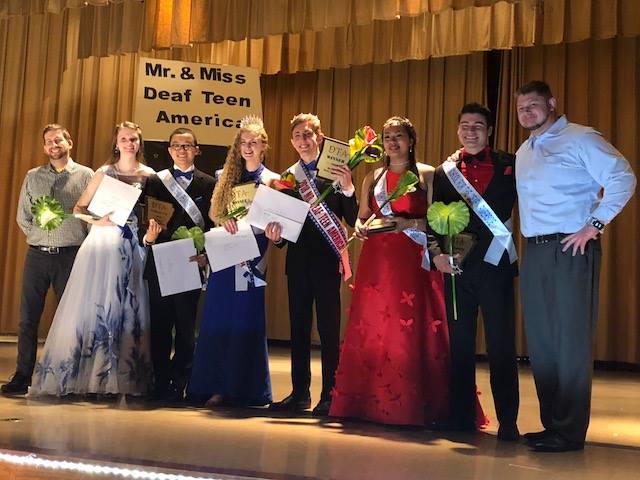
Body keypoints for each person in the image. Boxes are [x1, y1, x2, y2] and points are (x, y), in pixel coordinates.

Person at [514, 81, 636, 451]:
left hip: (570, 247)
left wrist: (595, 224)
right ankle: (553, 424)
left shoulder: (580, 138)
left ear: (552, 103)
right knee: (542, 342)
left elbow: (623, 177)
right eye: (521, 108)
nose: (527, 112)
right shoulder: (524, 150)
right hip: (534, 250)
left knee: (569, 342)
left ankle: (568, 432)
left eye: (534, 105)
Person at [329, 116, 452, 426]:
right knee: (375, 326)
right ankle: (369, 403)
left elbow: (440, 221)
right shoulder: (374, 177)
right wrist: (359, 228)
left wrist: (410, 223)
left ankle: (413, 404)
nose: (392, 142)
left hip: (412, 259)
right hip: (377, 262)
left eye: (399, 136)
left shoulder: (427, 175)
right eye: (387, 137)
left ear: (411, 141)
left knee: (409, 327)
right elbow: (362, 217)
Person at [28, 121, 157, 396]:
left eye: (134, 139)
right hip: (101, 242)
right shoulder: (104, 172)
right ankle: (91, 377)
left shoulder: (150, 175)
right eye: (124, 138)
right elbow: (79, 208)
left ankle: (121, 378)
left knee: (127, 306)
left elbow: (154, 212)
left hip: (130, 243)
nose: (129, 143)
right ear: (116, 142)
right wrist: (96, 222)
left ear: (139, 143)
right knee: (96, 305)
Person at [429, 103, 520, 440]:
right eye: (465, 125)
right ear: (457, 130)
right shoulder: (444, 172)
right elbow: (433, 219)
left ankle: (508, 420)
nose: (471, 131)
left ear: (489, 131)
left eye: (478, 125)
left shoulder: (511, 165)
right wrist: (435, 254)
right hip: (457, 268)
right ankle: (460, 415)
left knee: (501, 345)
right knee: (460, 346)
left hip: (496, 266)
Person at [268, 113, 358, 416]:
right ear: (292, 142)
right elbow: (282, 229)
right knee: (299, 329)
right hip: (298, 263)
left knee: (329, 330)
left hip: (327, 260)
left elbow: (351, 216)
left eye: (308, 135)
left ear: (320, 138)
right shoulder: (288, 177)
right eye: (297, 136)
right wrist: (276, 236)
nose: (303, 141)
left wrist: (347, 188)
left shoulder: (335, 170)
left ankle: (330, 395)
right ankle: (300, 393)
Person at [187, 117, 279, 407]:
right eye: (244, 142)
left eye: (254, 142)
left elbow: (276, 221)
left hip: (253, 256)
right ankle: (214, 385)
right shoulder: (225, 175)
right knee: (218, 316)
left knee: (245, 317)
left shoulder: (272, 180)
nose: (248, 147)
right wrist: (225, 219)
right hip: (226, 255)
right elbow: (214, 213)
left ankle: (245, 387)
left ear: (264, 145)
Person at [1, 125, 93, 396]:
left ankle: (69, 376)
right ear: (44, 147)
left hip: (70, 256)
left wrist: (75, 240)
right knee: (27, 318)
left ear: (70, 142)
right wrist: (40, 236)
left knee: (71, 319)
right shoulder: (33, 176)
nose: (54, 144)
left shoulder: (87, 175)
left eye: (59, 139)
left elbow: (91, 216)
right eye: (49, 141)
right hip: (37, 256)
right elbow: (22, 216)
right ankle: (22, 375)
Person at [141, 127, 215, 401]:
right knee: (160, 326)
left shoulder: (208, 183)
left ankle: (179, 380)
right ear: (169, 150)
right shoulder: (154, 182)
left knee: (185, 328)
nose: (182, 150)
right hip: (160, 259)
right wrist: (147, 237)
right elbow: (141, 220)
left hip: (190, 261)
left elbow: (211, 224)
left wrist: (207, 253)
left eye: (187, 146)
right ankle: (160, 382)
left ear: (197, 149)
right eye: (177, 146)